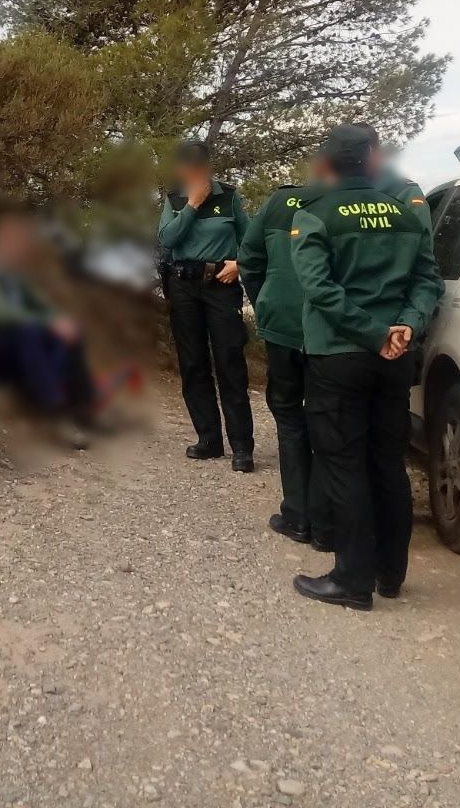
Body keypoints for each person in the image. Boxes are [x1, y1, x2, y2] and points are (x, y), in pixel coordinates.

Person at [289, 124, 444, 611]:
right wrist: (405, 327)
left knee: (343, 465)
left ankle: (351, 580)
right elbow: (428, 281)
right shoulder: (403, 215)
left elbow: (320, 289)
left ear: (329, 164)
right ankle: (389, 574)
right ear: (372, 159)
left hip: (341, 357)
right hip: (396, 358)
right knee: (388, 463)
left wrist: (372, 334)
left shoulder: (315, 216)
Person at [0, 212, 97, 437]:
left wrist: (60, 321)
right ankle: (54, 414)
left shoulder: (16, 277)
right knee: (30, 333)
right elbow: (0, 315)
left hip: (11, 341)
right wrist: (50, 323)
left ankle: (82, 407)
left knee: (71, 332)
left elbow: (42, 306)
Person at [239, 179, 328, 546]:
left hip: (283, 325)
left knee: (290, 416)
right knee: (330, 422)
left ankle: (298, 516)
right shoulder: (344, 200)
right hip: (331, 331)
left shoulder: (279, 202)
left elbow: (249, 259)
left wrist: (266, 302)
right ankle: (328, 521)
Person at [157, 139, 254, 471]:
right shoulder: (174, 199)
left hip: (220, 285)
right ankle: (209, 439)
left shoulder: (229, 196)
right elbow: (168, 240)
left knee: (230, 360)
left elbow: (251, 240)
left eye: (198, 167)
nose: (193, 173)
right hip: (184, 286)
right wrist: (192, 206)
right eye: (187, 167)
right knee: (193, 363)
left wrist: (239, 263)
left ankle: (242, 446)